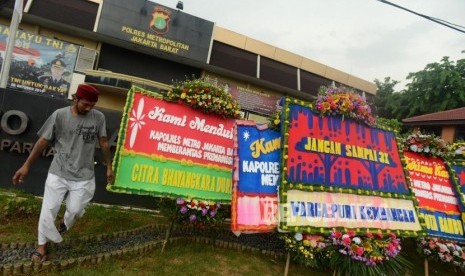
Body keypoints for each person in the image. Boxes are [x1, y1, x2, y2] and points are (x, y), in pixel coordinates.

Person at [12, 83, 114, 264]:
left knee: (75, 210)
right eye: (85, 104)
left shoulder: (98, 117)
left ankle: (63, 225)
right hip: (59, 171)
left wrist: (109, 166)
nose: (89, 108)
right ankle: (41, 246)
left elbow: (104, 142)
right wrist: (26, 165)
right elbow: (42, 142)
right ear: (75, 98)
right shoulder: (59, 115)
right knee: (48, 209)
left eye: (92, 105)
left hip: (84, 174)